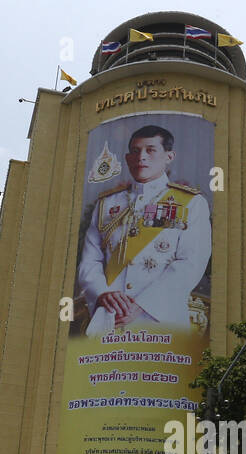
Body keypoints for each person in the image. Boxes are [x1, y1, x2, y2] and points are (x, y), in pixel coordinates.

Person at [76, 124, 212, 336]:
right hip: (108, 320)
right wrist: (103, 293)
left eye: (151, 150)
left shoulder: (191, 203)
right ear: (128, 158)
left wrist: (140, 305)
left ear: (169, 156)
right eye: (136, 151)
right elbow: (90, 262)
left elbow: (191, 263)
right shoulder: (106, 205)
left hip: (161, 321)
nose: (142, 157)